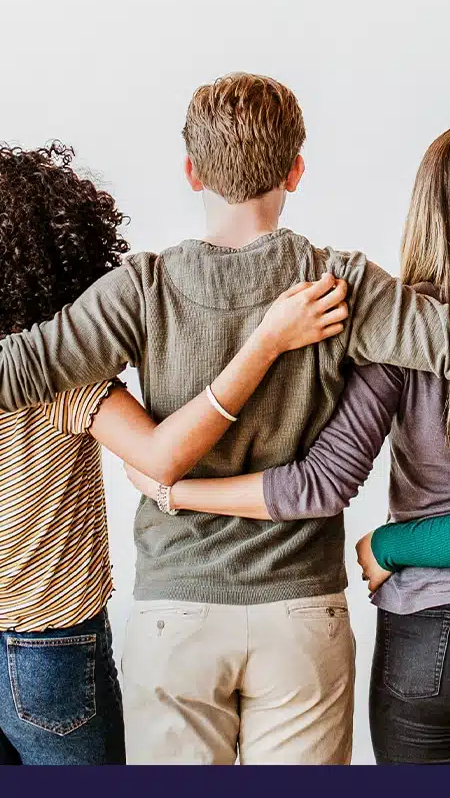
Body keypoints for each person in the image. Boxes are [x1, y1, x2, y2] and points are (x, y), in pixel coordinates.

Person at [2, 76, 450, 765]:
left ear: (190, 171)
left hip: (173, 617)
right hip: (302, 612)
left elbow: (18, 370)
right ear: (296, 170)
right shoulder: (340, 284)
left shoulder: (140, 290)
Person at [0, 141, 347, 766]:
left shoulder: (51, 364)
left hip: (161, 616)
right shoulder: (70, 384)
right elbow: (162, 456)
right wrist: (266, 340)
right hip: (48, 643)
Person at [127, 128, 450, 765]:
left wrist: (175, 488)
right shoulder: (394, 323)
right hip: (325, 618)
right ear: (295, 170)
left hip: (427, 634)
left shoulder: (400, 329)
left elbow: (322, 483)